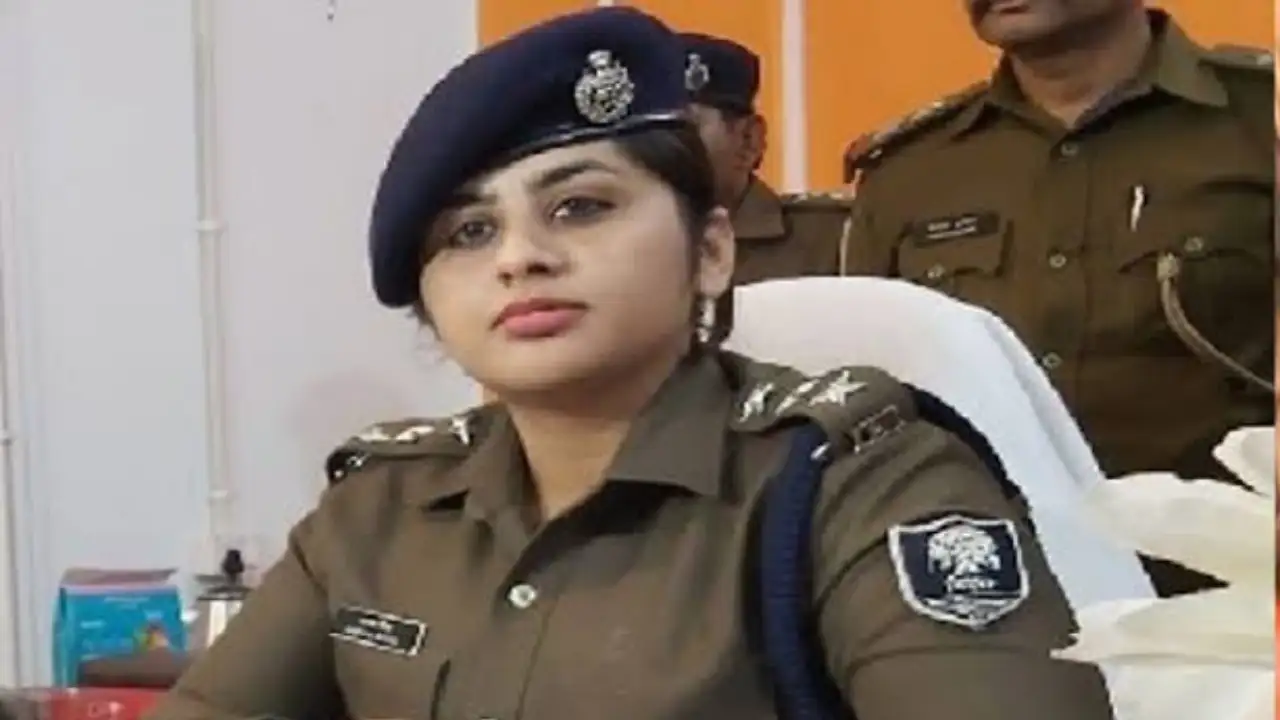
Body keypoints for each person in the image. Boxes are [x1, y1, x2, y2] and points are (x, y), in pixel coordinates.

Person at [146, 7, 1115, 720]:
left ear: (711, 252)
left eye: (580, 207)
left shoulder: (860, 485)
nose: (520, 256)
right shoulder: (377, 511)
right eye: (469, 232)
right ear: (431, 303)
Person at [840, 1, 1274, 595]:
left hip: (1224, 603)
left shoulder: (1258, 124)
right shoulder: (912, 170)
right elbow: (869, 409)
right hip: (989, 598)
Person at [680, 33, 852, 339]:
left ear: (749, 141)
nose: (658, 146)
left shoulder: (835, 242)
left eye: (682, 127)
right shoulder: (614, 244)